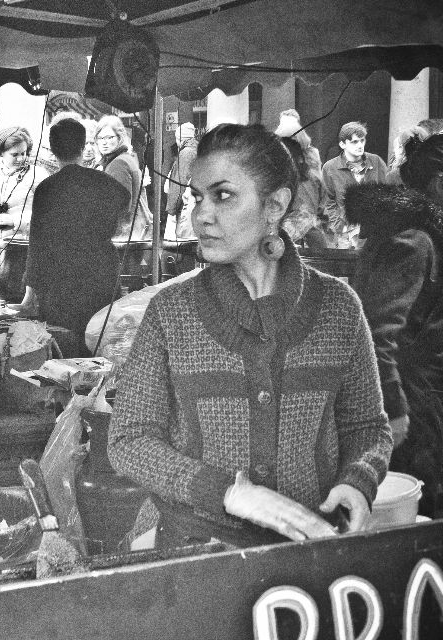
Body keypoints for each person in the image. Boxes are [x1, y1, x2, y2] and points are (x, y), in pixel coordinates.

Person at [107, 123, 392, 550]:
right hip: (189, 548)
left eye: (223, 195)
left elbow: (367, 426)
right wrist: (228, 492)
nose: (201, 214)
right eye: (197, 196)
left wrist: (358, 480)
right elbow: (129, 440)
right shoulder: (172, 313)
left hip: (303, 551)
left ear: (274, 204)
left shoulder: (337, 308)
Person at [345, 132, 443, 519]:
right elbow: (375, 330)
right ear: (439, 181)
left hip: (425, 392)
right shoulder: (412, 239)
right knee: (417, 506)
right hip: (411, 401)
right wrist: (392, 407)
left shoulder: (426, 233)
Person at [22, 119, 126, 356]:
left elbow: (37, 243)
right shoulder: (103, 182)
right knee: (100, 343)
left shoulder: (46, 189)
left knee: (66, 348)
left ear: (52, 149)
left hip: (60, 279)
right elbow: (124, 197)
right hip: (101, 271)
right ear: (82, 146)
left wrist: (30, 292)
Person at [0, 126, 48, 303]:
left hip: (19, 253)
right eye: (15, 154)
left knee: (14, 301)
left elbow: (47, 214)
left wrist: (16, 221)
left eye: (24, 153)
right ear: (1, 153)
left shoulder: (38, 175)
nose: (21, 158)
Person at [321, 121, 388, 248]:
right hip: (345, 233)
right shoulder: (330, 168)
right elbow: (327, 201)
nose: (360, 145)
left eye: (362, 140)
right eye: (354, 142)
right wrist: (340, 227)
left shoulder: (376, 162)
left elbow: (387, 193)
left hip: (374, 232)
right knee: (346, 265)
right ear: (342, 144)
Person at [95, 115, 151, 240]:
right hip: (130, 232)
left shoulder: (118, 163)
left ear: (119, 138)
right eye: (100, 138)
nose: (104, 142)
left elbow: (119, 206)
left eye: (109, 137)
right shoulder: (124, 158)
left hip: (122, 234)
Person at [278, 136, 326, 249]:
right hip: (313, 233)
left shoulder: (299, 180)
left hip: (303, 232)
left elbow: (303, 215)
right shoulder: (311, 176)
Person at [275, 109, 322, 180]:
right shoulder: (274, 153)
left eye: (292, 125)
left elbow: (318, 180)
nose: (288, 129)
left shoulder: (312, 153)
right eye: (283, 125)